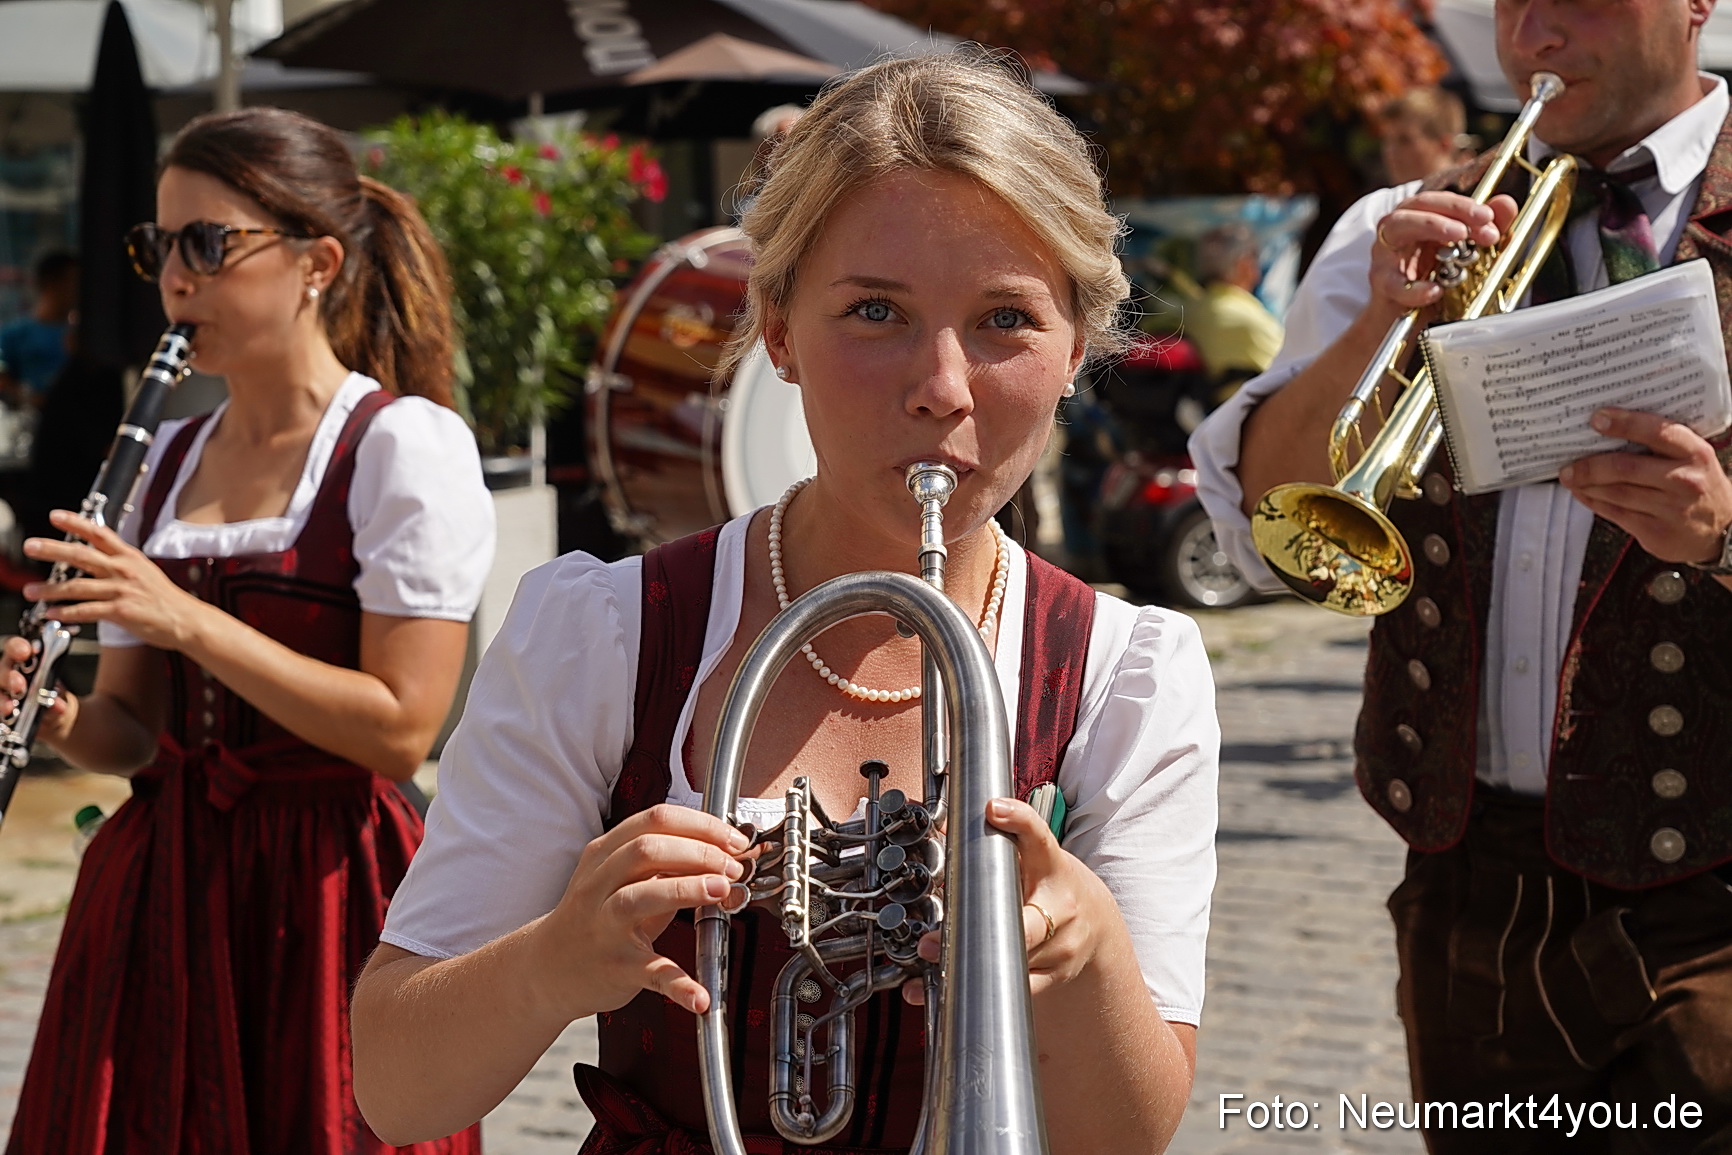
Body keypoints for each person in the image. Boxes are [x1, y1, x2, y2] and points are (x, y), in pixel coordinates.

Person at [351, 52, 1217, 1155]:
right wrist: (554, 958)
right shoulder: (604, 634)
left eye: (1005, 320)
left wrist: (1082, 947)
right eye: (873, 310)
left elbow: (1128, 1138)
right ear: (777, 333)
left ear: (1074, 354)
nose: (942, 386)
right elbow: (396, 1089)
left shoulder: (1127, 675)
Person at [1191, 0, 1732, 1149]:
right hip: (1465, 882)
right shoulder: (1405, 221)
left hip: (1716, 891)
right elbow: (1264, 515)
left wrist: (1722, 531)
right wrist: (1374, 324)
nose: (1534, 36)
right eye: (1512, 3)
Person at [3, 107, 494, 1155]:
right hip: (162, 886)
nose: (176, 279)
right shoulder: (166, 456)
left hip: (328, 891)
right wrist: (54, 714)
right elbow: (133, 734)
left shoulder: (402, 447)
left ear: (317, 262)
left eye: (207, 244)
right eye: (158, 248)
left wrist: (181, 616)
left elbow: (402, 730)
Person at [1183, 222, 1285, 400]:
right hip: (1251, 413)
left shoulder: (1193, 309)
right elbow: (1292, 368)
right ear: (1244, 264)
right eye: (1254, 255)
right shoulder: (1244, 317)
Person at [0, 250, 77, 408]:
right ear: (51, 283)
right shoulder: (15, 335)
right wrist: (30, 398)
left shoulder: (82, 338)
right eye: (74, 282)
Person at [1377, 87, 1470, 185]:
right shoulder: (1383, 198)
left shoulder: (1473, 196)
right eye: (1387, 141)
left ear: (1444, 144)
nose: (1390, 151)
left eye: (1405, 140)